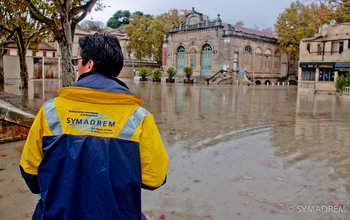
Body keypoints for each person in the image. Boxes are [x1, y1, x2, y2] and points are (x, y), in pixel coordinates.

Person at [20, 33, 169, 220]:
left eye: (77, 61)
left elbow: (30, 172)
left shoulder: (50, 111)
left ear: (89, 65)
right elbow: (155, 177)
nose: (75, 67)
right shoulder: (139, 117)